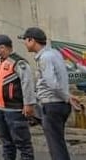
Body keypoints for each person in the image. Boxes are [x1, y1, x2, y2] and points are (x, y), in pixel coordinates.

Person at [21, 27, 71, 160]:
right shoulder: (54, 53)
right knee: (58, 143)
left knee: (55, 146)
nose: (25, 43)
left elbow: (52, 83)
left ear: (32, 40)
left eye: (25, 40)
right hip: (59, 104)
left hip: (52, 104)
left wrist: (67, 97)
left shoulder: (45, 57)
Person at [0, 34, 36, 160]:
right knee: (7, 144)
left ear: (3, 47)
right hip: (0, 109)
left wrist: (28, 104)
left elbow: (27, 83)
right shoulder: (0, 63)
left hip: (14, 110)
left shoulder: (18, 62)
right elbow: (1, 81)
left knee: (23, 145)